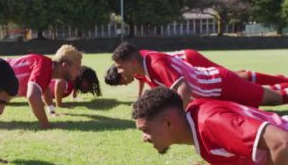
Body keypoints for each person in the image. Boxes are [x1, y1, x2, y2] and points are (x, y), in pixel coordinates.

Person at [132, 86, 288, 165]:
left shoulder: (210, 123)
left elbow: (282, 142)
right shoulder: (196, 113)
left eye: (146, 130)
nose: (144, 138)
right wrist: (222, 157)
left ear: (167, 122)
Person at [111, 42, 288, 108]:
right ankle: (280, 83)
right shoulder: (142, 67)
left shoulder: (155, 65)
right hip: (214, 89)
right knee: (261, 97)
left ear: (131, 62)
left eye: (119, 67)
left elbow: (184, 88)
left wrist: (178, 117)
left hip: (221, 83)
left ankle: (282, 81)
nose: (119, 71)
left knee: (275, 99)